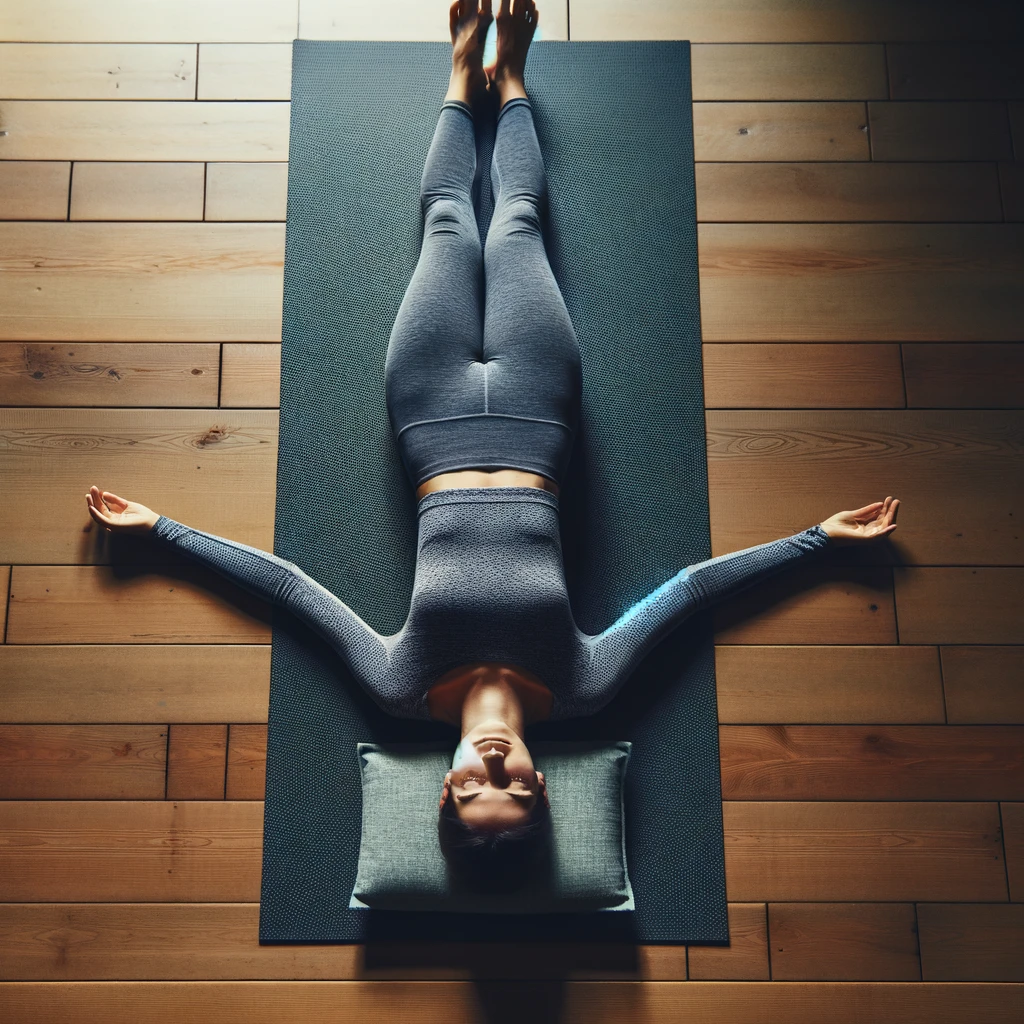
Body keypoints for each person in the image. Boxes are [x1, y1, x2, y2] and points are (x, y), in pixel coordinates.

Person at [84, 0, 900, 892]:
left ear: (446, 790)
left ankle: (458, 66)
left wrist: (163, 532)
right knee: (513, 223)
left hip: (429, 416)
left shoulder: (401, 687)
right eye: (517, 787)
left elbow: (287, 590)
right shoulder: (584, 687)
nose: (498, 767)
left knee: (445, 221)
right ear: (545, 787)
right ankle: (510, 76)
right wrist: (818, 543)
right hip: (539, 419)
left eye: (476, 787)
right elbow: (692, 594)